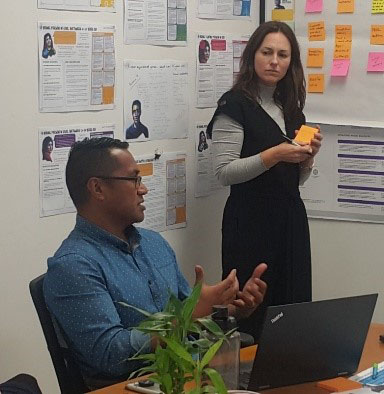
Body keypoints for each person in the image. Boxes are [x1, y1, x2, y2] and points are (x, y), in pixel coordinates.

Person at [43, 137, 268, 388]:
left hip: (190, 373)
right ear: (97, 189)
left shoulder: (153, 243)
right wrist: (190, 315)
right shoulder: (73, 266)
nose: (143, 189)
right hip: (137, 384)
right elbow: (109, 354)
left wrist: (230, 308)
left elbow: (190, 311)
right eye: (133, 179)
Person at [207, 21, 322, 339]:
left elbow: (295, 180)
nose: (275, 61)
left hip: (289, 221)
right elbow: (223, 172)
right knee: (252, 313)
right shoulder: (234, 105)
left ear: (291, 62)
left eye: (283, 55)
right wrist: (274, 154)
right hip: (250, 223)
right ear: (252, 57)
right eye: (267, 52)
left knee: (292, 309)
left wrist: (307, 157)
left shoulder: (292, 110)